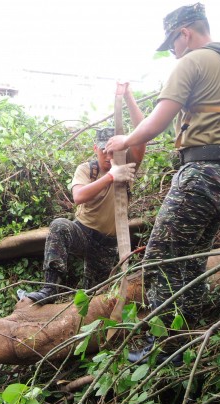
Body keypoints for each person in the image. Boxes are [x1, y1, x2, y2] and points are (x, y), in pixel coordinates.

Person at [104, 3, 220, 361]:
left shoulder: (193, 60)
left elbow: (159, 123)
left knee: (159, 260)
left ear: (185, 33)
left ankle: (162, 342)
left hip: (202, 175)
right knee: (190, 260)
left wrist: (124, 140)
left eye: (172, 43)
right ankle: (192, 331)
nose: (172, 51)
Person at [22, 84, 144, 305]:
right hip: (83, 231)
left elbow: (142, 133)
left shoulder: (128, 165)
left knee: (94, 297)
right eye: (103, 151)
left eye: (113, 151)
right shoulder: (87, 169)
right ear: (95, 149)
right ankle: (51, 288)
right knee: (60, 225)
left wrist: (129, 96)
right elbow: (78, 197)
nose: (108, 156)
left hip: (108, 242)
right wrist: (110, 177)